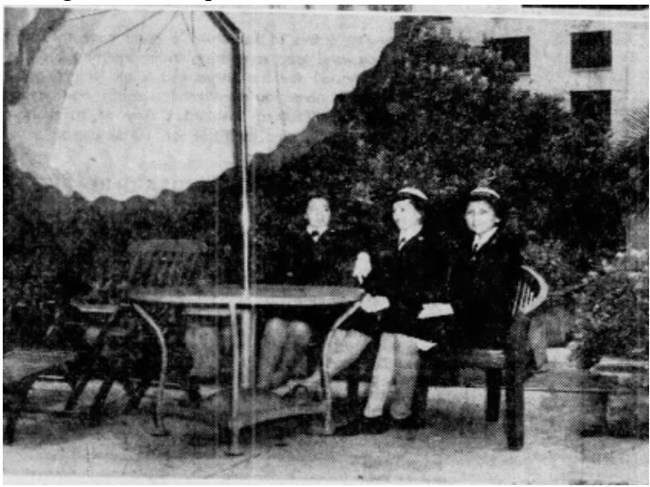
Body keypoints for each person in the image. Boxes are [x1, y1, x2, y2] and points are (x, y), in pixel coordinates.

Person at [276, 187, 454, 434]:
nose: (397, 215)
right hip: (386, 313)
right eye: (394, 210)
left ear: (420, 214)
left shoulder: (431, 246)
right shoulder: (391, 242)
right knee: (348, 327)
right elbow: (376, 279)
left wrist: (388, 300)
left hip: (414, 316)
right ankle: (316, 389)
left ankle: (309, 386)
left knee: (369, 326)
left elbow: (428, 290)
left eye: (404, 210)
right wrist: (369, 285)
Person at [257, 195, 353, 390]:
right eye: (314, 210)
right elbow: (276, 276)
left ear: (330, 214)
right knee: (274, 325)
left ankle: (281, 376)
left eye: (325, 209)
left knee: (300, 329)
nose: (319, 215)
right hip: (291, 307)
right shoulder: (290, 241)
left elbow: (339, 279)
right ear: (306, 215)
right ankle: (261, 387)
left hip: (320, 312)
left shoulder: (342, 243)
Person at [449, 186, 524, 350]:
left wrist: (453, 306)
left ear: (497, 217)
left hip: (490, 325)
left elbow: (491, 294)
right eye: (470, 213)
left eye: (483, 212)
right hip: (467, 317)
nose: (475, 218)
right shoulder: (465, 246)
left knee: (410, 336)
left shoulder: (505, 247)